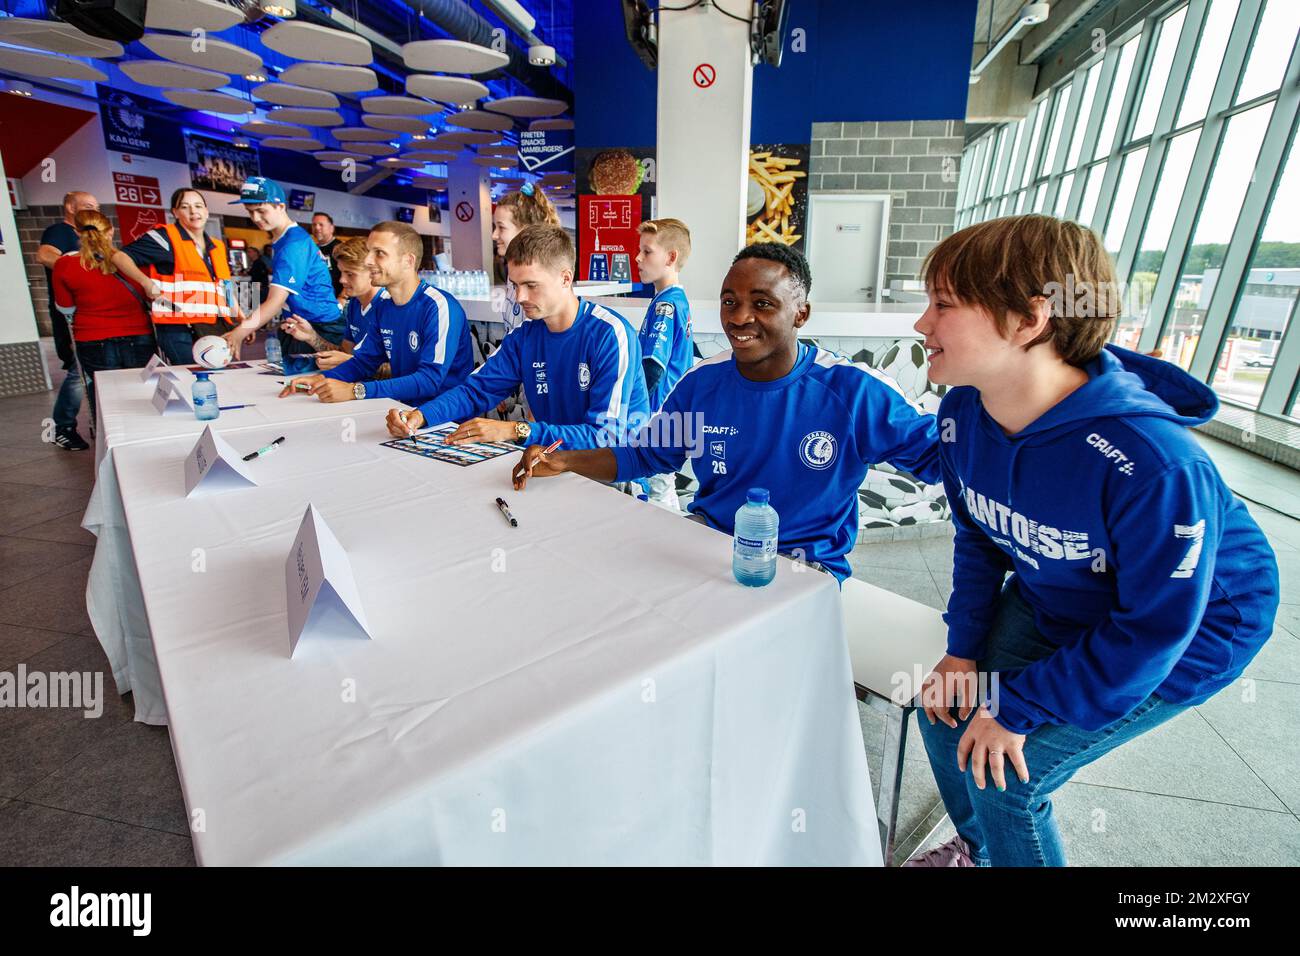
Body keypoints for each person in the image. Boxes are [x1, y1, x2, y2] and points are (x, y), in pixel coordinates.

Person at [898, 215, 1279, 868]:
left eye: (944, 304)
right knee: (944, 713)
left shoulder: (1152, 461)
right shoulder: (965, 409)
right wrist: (962, 651)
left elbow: (1155, 627)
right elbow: (981, 537)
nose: (920, 325)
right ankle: (982, 853)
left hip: (1189, 628)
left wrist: (1016, 707)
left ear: (1029, 319)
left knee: (1009, 778)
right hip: (1063, 592)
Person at [511, 243, 941, 581]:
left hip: (804, 567)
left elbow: (939, 457)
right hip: (708, 547)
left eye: (763, 303)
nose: (739, 318)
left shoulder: (851, 391)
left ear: (801, 314)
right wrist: (563, 460)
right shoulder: (703, 384)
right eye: (729, 302)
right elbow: (646, 456)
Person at [384, 224, 648, 452]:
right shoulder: (526, 336)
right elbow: (476, 390)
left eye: (531, 285)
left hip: (613, 479)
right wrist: (420, 416)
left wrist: (518, 430)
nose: (520, 297)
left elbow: (605, 437)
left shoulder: (610, 334)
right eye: (515, 285)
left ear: (565, 279)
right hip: (553, 463)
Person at [280, 221, 472, 404]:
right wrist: (320, 379)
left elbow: (429, 381)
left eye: (379, 253)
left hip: (448, 424)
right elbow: (363, 362)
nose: (369, 260)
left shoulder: (438, 306)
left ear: (408, 261)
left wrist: (355, 391)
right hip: (404, 412)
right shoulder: (385, 306)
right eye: (369, 252)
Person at [221, 178, 345, 372]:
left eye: (261, 211)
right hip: (299, 323)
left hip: (319, 326)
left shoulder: (293, 245)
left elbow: (275, 301)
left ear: (280, 206)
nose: (255, 218)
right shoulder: (282, 240)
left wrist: (239, 332)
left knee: (313, 388)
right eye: (250, 211)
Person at [112, 188, 245, 366]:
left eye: (198, 206)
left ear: (206, 211)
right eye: (185, 206)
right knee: (192, 380)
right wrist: (146, 282)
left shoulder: (217, 246)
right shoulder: (164, 238)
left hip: (216, 325)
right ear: (175, 212)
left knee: (220, 378)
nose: (193, 211)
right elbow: (119, 257)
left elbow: (224, 284)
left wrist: (240, 317)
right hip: (180, 328)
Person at [52, 211, 156, 421]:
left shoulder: (64, 265)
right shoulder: (131, 262)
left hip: (92, 339)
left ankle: (111, 440)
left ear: (77, 232)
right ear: (111, 231)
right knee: (142, 390)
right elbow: (150, 295)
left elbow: (65, 308)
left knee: (105, 394)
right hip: (138, 335)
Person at [632, 217, 695, 511]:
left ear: (671, 257)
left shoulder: (666, 305)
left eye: (647, 251)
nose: (638, 258)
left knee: (655, 488)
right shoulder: (673, 299)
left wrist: (632, 407)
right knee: (662, 484)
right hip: (669, 413)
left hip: (655, 413)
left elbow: (653, 368)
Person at [37, 190, 98, 450]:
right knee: (78, 369)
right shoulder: (60, 231)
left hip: (91, 311)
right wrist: (79, 267)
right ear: (70, 208)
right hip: (70, 313)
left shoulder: (89, 236)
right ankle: (62, 427)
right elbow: (45, 255)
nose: (92, 211)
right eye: (86, 206)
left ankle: (97, 422)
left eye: (95, 207)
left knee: (89, 369)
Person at [280, 237, 385, 375]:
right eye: (341, 272)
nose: (342, 280)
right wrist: (311, 336)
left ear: (373, 272)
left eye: (350, 274)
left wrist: (352, 363)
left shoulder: (391, 308)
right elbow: (343, 353)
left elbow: (403, 371)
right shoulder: (354, 304)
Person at [312, 211, 343, 297]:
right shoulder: (312, 249)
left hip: (335, 300)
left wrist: (343, 297)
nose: (317, 228)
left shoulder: (340, 247)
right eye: (314, 225)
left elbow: (352, 275)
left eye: (321, 224)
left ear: (331, 228)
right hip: (316, 299)